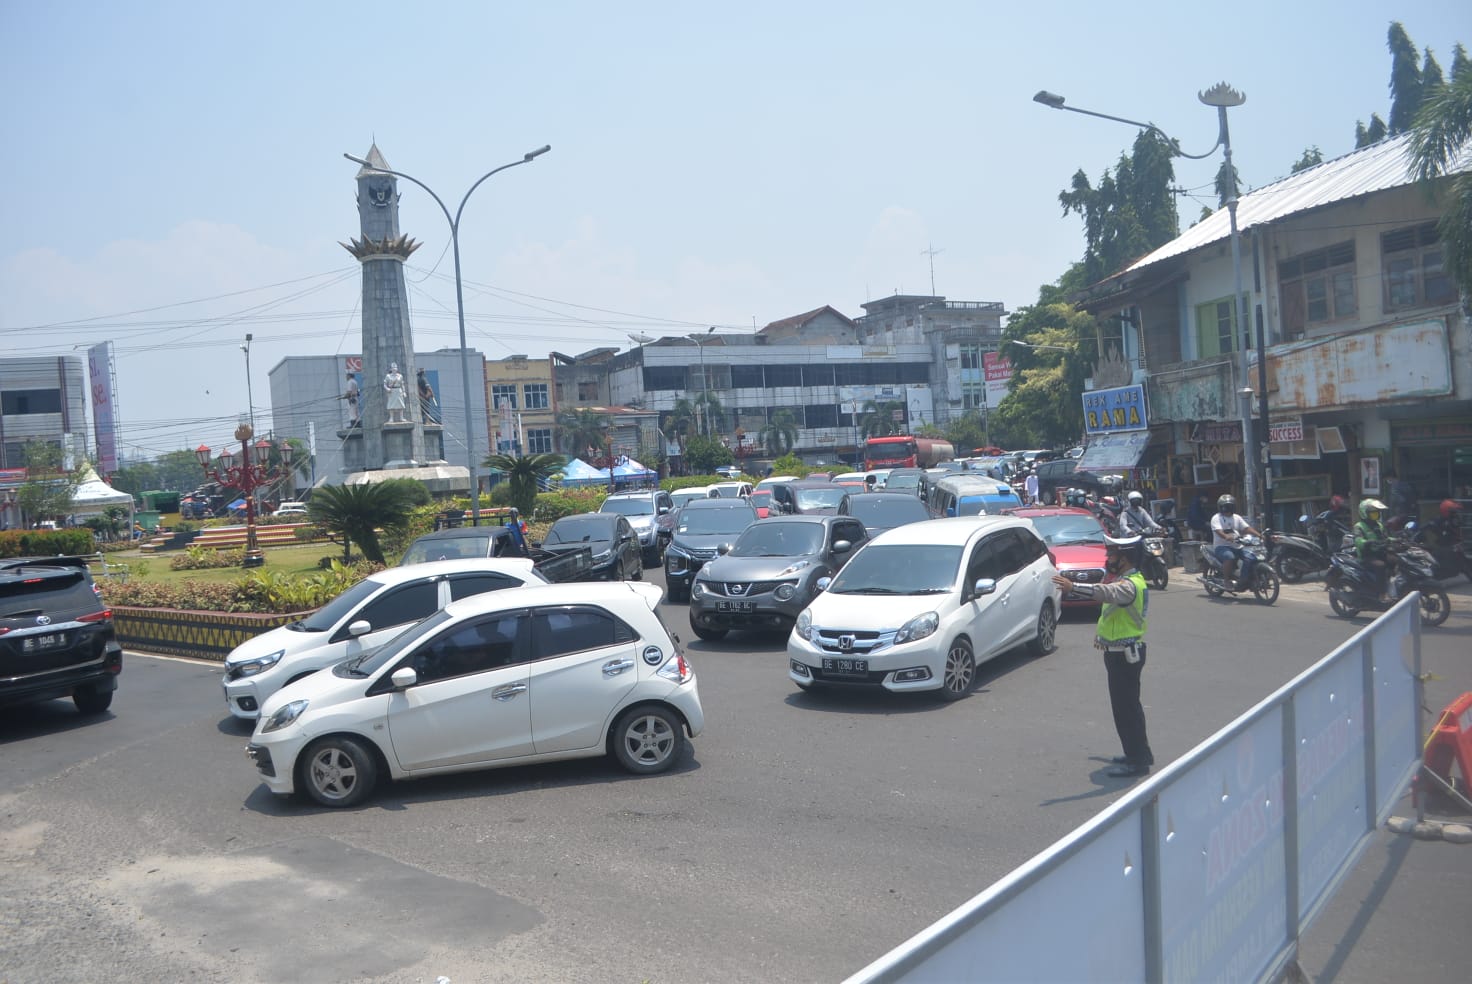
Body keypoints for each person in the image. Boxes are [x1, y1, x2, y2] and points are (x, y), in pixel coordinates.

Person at [1051, 533, 1154, 778]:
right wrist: (1102, 639)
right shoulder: (1128, 580)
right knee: (1129, 709)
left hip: (1125, 657)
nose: (1109, 558)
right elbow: (1113, 614)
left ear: (1125, 558)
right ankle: (1139, 753)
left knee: (1126, 711)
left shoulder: (1128, 585)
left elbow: (1105, 593)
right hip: (1120, 653)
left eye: (1113, 554)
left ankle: (1137, 761)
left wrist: (1073, 587)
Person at [1210, 494, 1261, 587]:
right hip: (1222, 546)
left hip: (1238, 545)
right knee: (1229, 557)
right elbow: (1219, 531)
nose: (1227, 509)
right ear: (1220, 507)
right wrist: (1226, 536)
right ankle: (1226, 580)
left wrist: (1260, 535)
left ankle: (1244, 579)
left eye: (1229, 506)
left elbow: (1246, 528)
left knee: (1250, 557)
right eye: (1225, 506)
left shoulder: (1237, 517)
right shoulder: (1216, 518)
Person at [1353, 497, 1393, 599]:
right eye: (1373, 513)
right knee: (1381, 566)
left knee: (1397, 560)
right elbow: (1358, 540)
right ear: (1364, 513)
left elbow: (1386, 537)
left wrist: (1396, 539)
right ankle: (1382, 594)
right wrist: (1367, 542)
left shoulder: (1379, 525)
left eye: (1377, 513)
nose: (1376, 515)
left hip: (1380, 553)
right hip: (1367, 556)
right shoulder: (1359, 526)